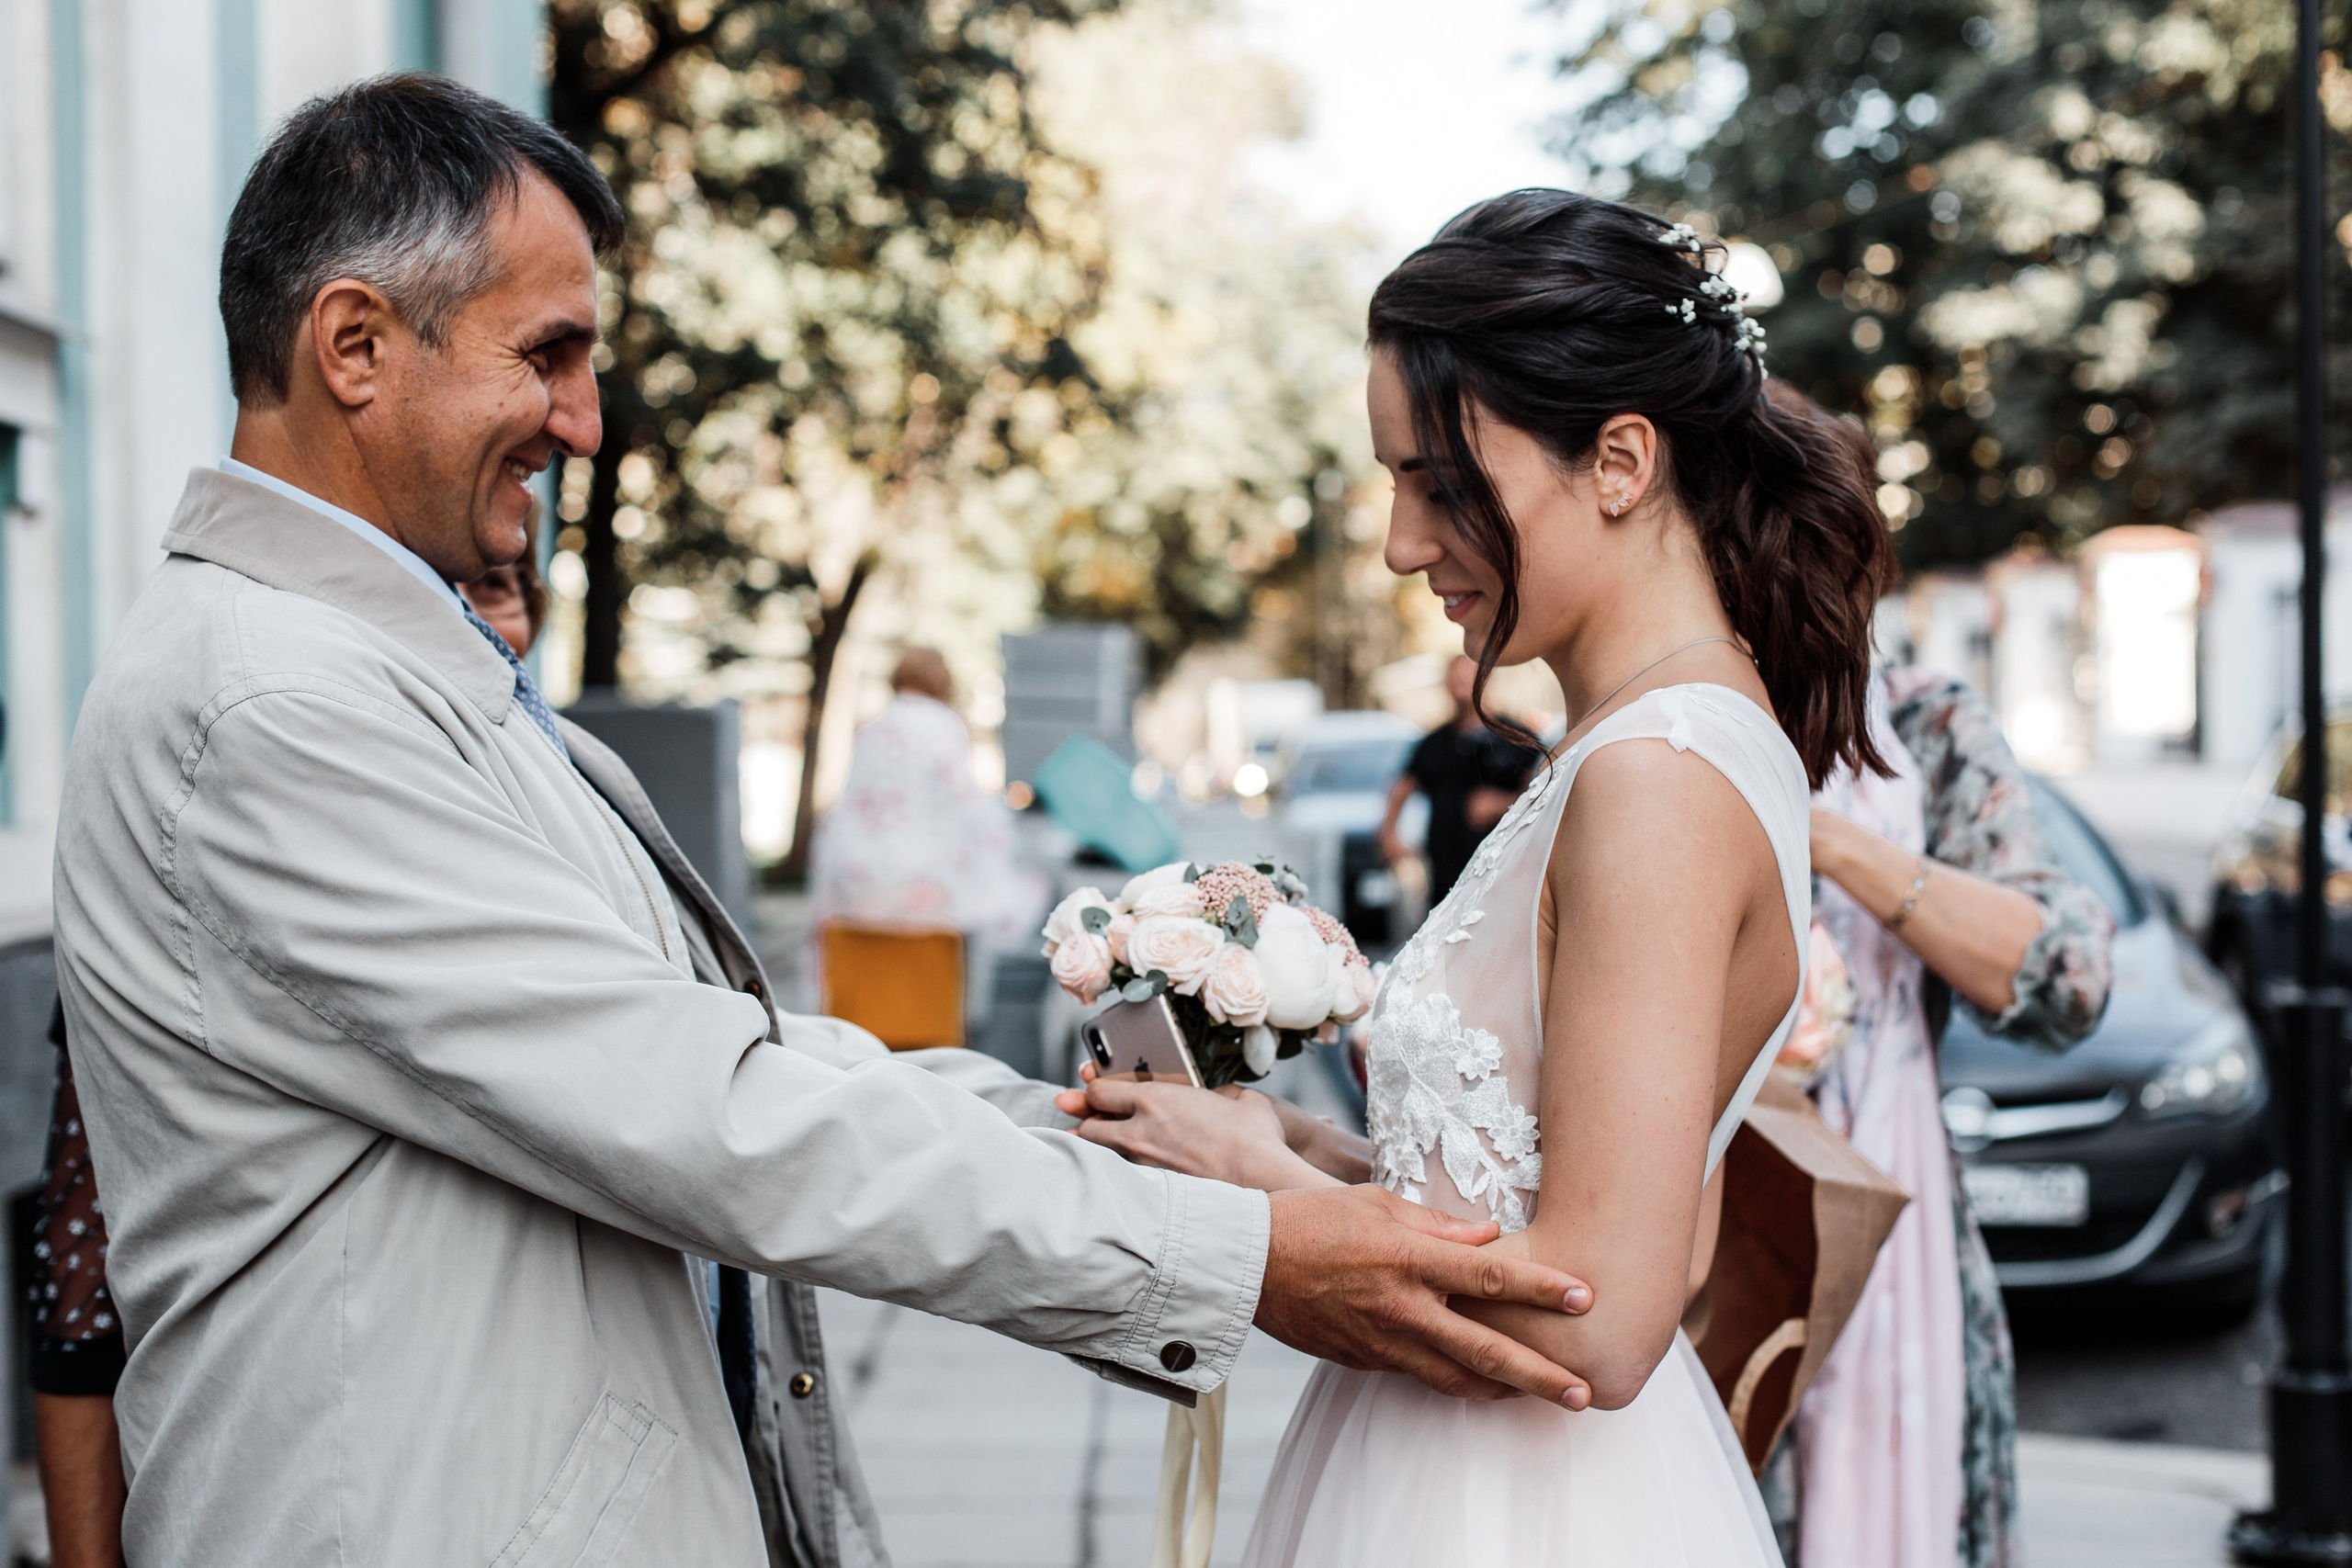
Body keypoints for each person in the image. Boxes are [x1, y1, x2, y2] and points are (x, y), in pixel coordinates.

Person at [49, 78, 1601, 1568]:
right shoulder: (270, 707)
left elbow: (736, 1053)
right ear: (356, 346)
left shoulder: (378, 670)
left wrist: (1134, 1146)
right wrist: (1238, 1260)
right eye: (550, 353)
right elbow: (702, 1109)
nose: (584, 421)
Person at [1057, 188, 1895, 1565]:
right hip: (1458, 1466)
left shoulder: (1658, 775)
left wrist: (1266, 1208)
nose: (1399, 542)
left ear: (1620, 459)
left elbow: (1608, 1309)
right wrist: (1286, 1147)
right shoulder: (1628, 746)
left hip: (1519, 1506)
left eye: (1440, 483)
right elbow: (1552, 1201)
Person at [26, 555, 598, 1568]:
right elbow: (80, 1286)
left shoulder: (571, 816)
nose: (471, 620)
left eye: (497, 591)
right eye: (444, 594)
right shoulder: (253, 791)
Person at [1760, 386, 2114, 1568]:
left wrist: (1833, 839)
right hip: (1713, 1253)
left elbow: (2067, 981)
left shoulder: (1929, 725)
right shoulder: (1663, 725)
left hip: (1897, 1246)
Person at [810, 646, 1049, 946]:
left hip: (855, 883)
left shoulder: (871, 727)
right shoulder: (944, 723)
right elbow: (964, 801)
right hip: (917, 887)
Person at [1377, 654, 1543, 904]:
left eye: (1469, 677)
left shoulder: (1517, 737)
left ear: (1486, 680)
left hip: (1502, 875)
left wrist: (1502, 803)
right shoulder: (1434, 743)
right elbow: (1401, 788)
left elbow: (1546, 791)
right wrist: (1389, 836)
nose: (1462, 684)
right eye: (1456, 678)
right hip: (1446, 876)